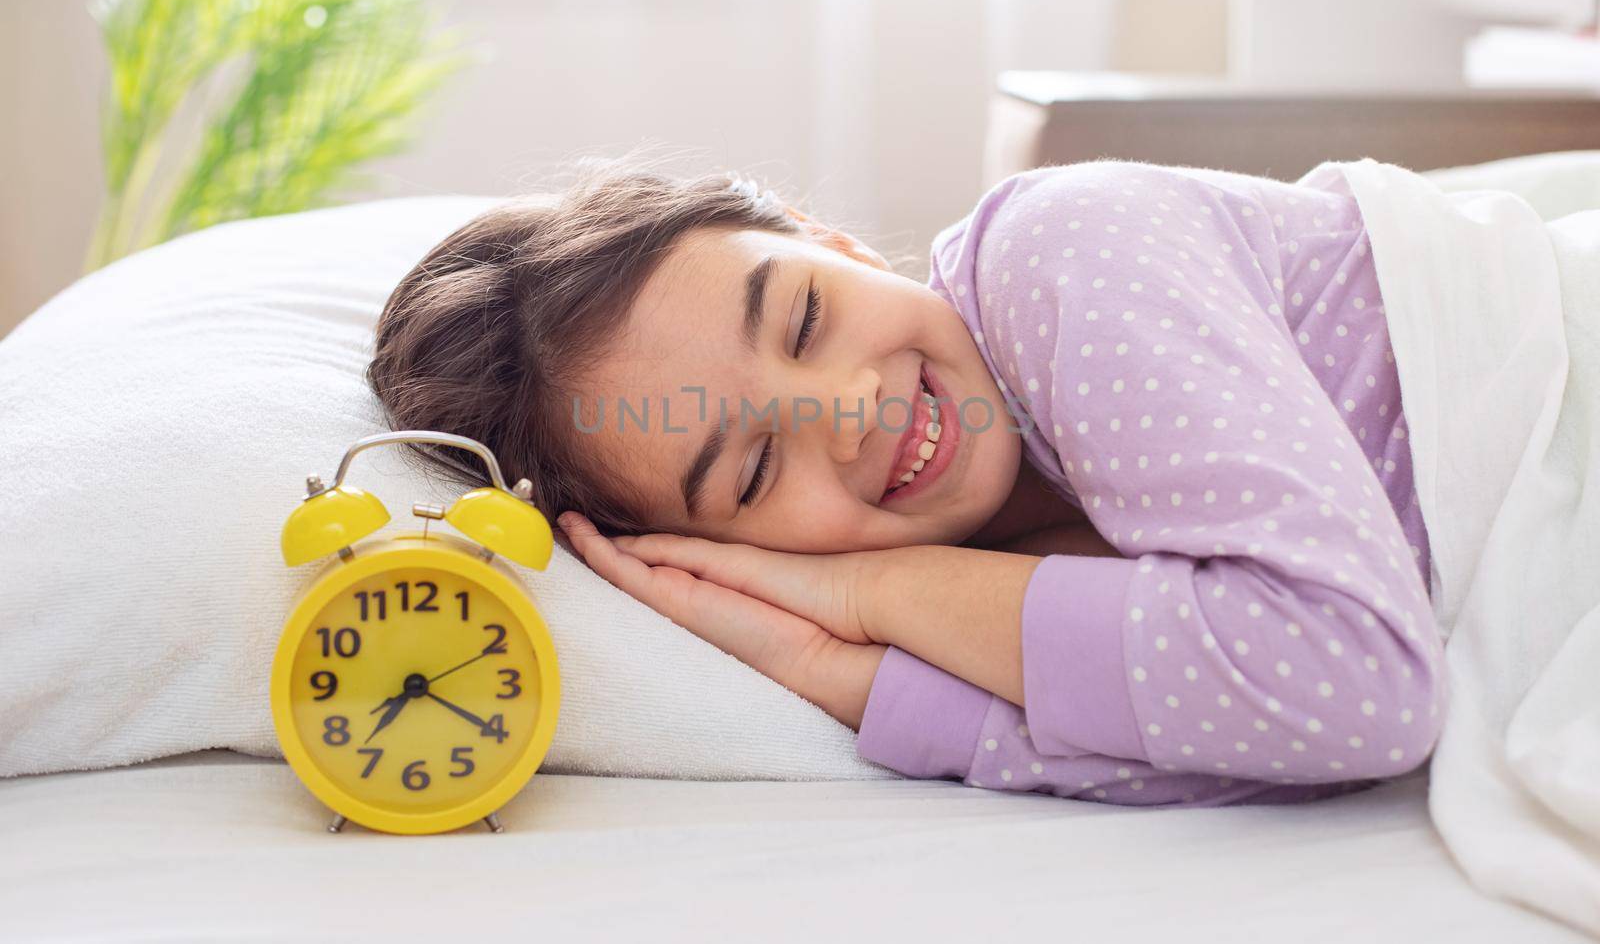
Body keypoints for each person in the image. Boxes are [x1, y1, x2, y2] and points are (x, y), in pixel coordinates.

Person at [366, 151, 1447, 807]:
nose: (846, 411)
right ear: (729, 556)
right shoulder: (996, 584)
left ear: (831, 241)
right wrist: (840, 675)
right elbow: (1293, 751)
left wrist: (863, 598)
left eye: (803, 315)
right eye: (752, 467)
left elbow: (1351, 688)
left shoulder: (1059, 249)